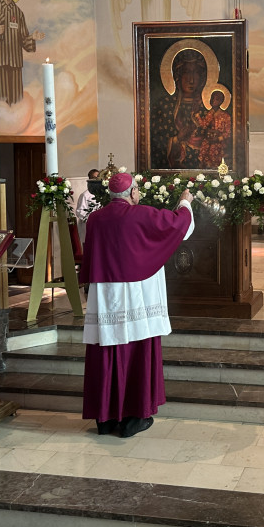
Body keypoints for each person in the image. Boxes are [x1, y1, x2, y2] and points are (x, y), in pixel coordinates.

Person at [78, 171, 194, 438]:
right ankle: (133, 418)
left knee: (106, 351)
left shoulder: (96, 218)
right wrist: (185, 202)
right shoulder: (141, 213)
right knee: (136, 349)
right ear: (131, 193)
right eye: (137, 191)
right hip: (136, 296)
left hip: (105, 296)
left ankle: (104, 419)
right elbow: (179, 226)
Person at [0, 0, 45, 106]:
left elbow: (24, 41)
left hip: (16, 63)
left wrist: (32, 38)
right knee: (3, 101)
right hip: (1, 62)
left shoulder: (18, 13)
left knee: (17, 101)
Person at [195, 90, 232, 168]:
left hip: (219, 143)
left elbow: (228, 132)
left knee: (216, 162)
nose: (212, 101)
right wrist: (197, 115)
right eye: (211, 98)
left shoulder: (226, 116)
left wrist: (218, 138)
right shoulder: (210, 113)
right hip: (208, 140)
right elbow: (204, 125)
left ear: (220, 101)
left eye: (214, 99)